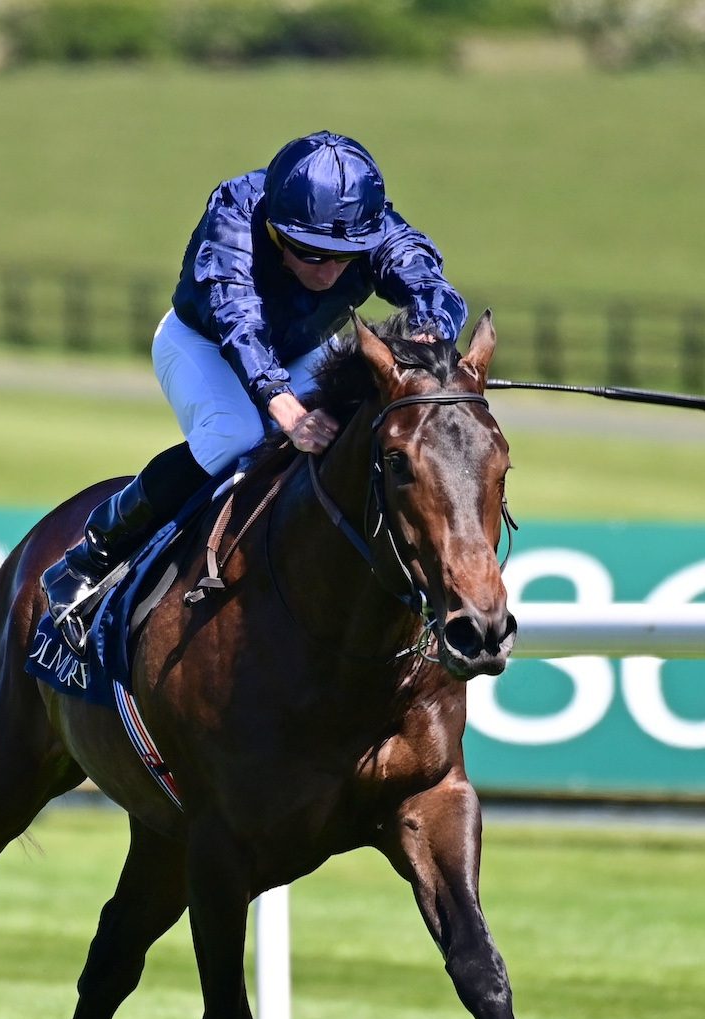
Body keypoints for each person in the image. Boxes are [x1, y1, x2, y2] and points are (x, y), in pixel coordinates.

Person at [40, 131, 469, 647]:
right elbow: (239, 323)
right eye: (311, 253)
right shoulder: (234, 213)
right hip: (205, 344)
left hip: (307, 348)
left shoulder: (373, 227)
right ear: (274, 228)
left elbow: (432, 286)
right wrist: (284, 406)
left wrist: (432, 327)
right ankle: (97, 549)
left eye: (347, 256)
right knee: (236, 433)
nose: (330, 272)